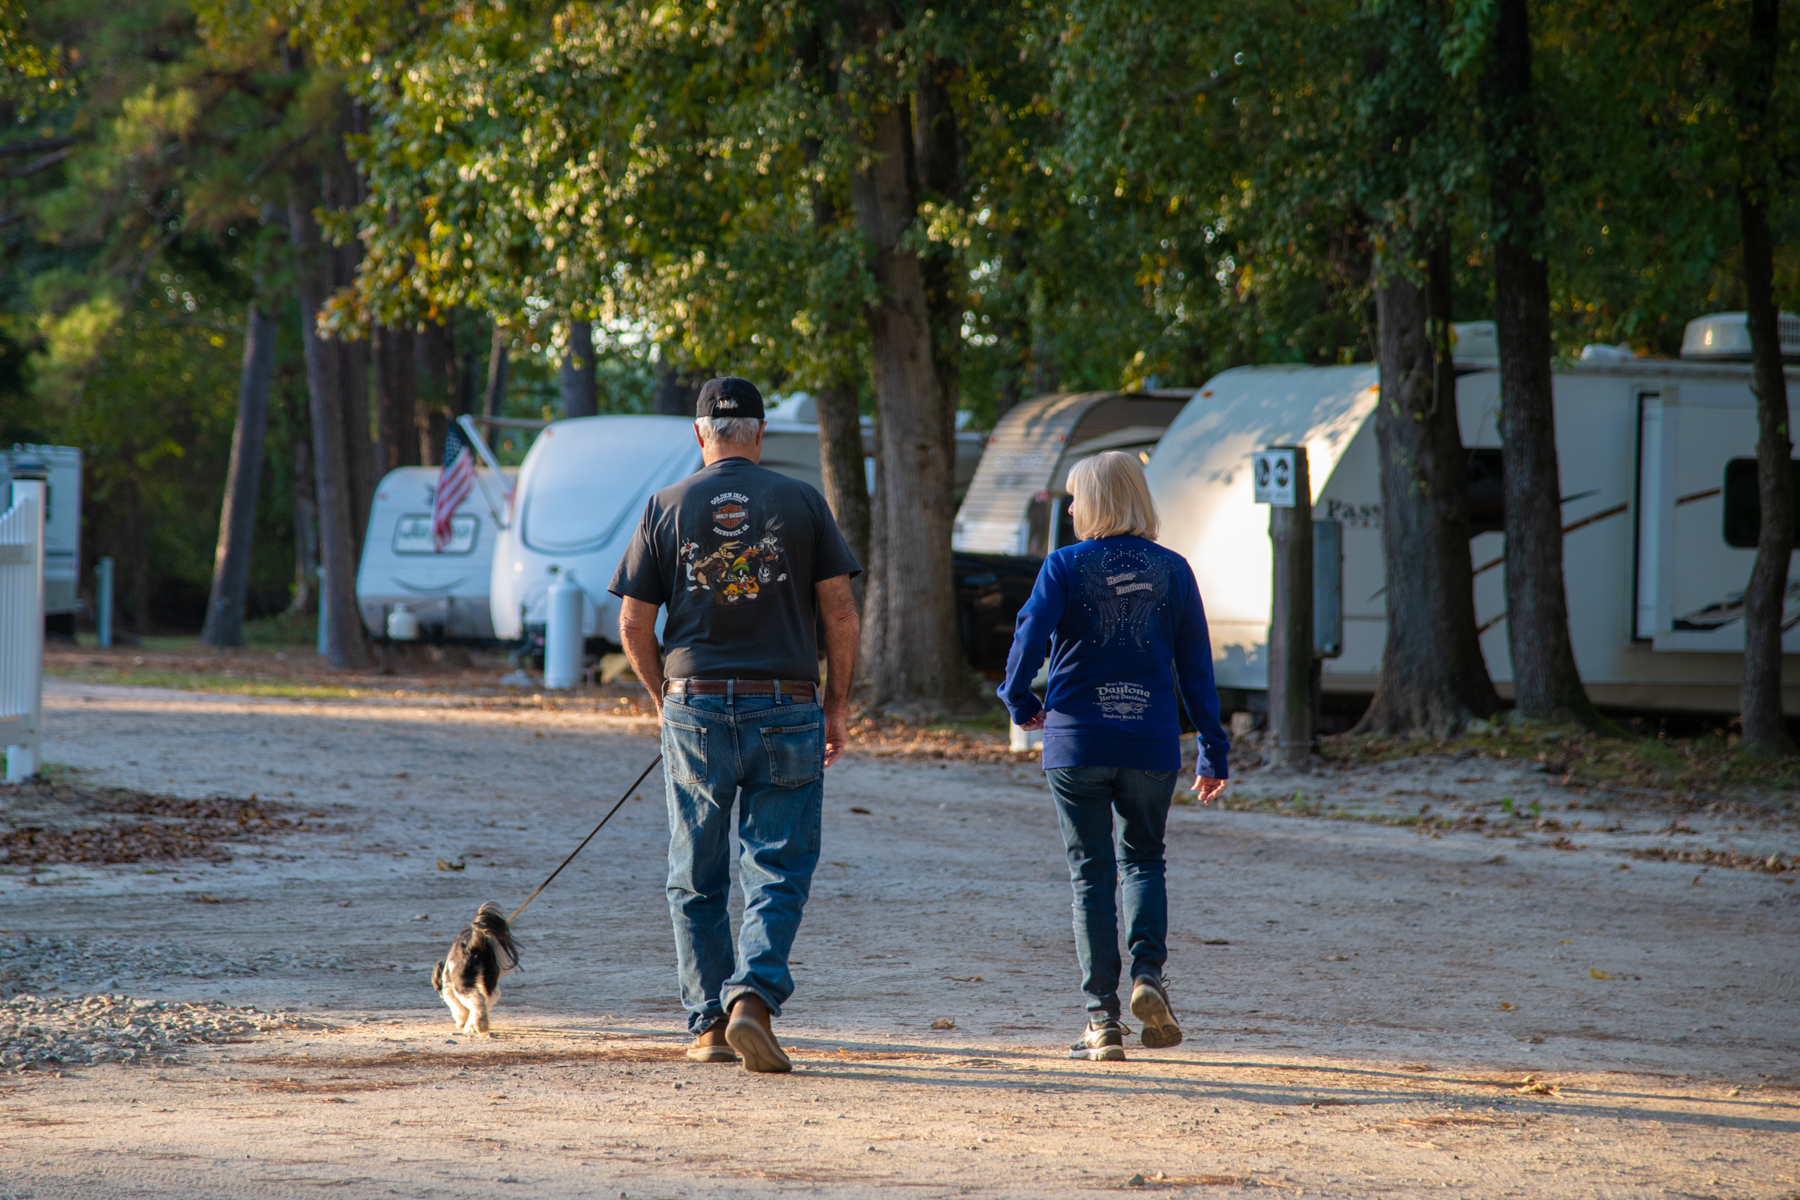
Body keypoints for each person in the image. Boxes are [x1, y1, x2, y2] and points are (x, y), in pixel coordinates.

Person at [609, 376, 862, 1074]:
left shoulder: (666, 504)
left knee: (696, 871)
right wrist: (836, 706)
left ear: (700, 435)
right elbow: (840, 613)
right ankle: (752, 995)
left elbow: (633, 621)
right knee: (778, 863)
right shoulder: (803, 501)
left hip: (694, 699)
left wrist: (665, 699)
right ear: (758, 433)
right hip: (786, 702)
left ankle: (708, 1027)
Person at [997, 450, 1230, 1062]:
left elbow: (1027, 639)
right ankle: (1148, 976)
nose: (1070, 509)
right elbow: (1197, 670)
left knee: (1091, 876)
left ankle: (1101, 1022)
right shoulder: (1175, 570)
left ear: (1096, 501)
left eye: (1075, 497)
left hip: (1077, 741)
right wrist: (1213, 748)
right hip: (1151, 740)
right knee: (1144, 861)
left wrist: (1018, 701)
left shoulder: (1065, 565)